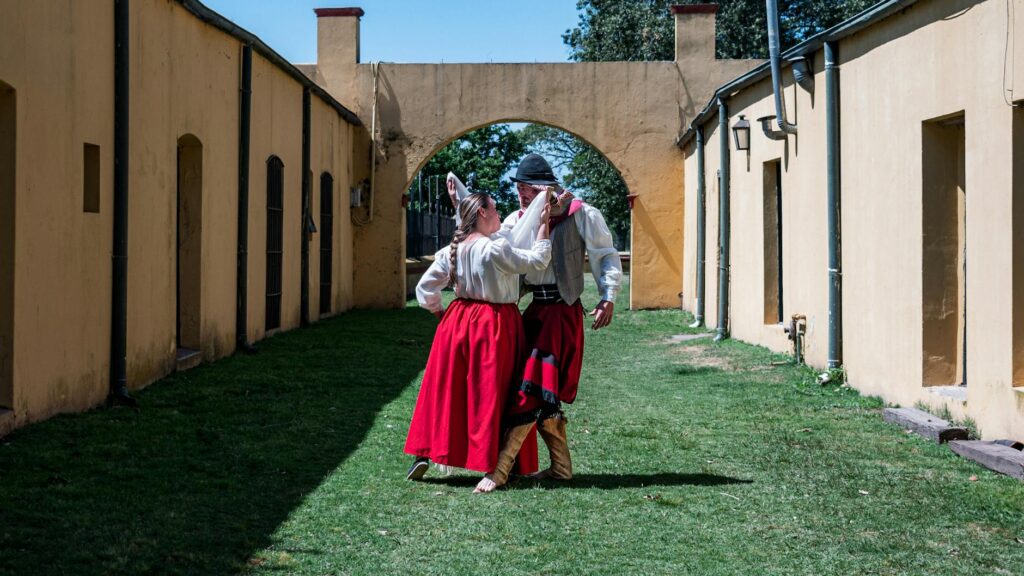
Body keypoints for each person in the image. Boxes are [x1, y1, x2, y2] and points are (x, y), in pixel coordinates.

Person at [475, 153, 622, 493]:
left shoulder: (581, 213)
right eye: (519, 189)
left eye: (525, 189)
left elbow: (605, 254)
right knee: (542, 391)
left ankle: (500, 470)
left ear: (543, 188)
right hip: (533, 313)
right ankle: (561, 468)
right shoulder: (517, 218)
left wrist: (609, 295)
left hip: (562, 313)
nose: (520, 196)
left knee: (532, 387)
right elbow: (499, 250)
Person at [404, 191, 552, 484]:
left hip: (457, 321)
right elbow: (537, 261)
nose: (499, 214)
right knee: (493, 391)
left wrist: (441, 315)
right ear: (482, 213)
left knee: (447, 390)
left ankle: (424, 453)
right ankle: (493, 462)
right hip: (494, 322)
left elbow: (425, 289)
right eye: (495, 209)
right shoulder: (492, 249)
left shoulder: (452, 249)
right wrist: (544, 224)